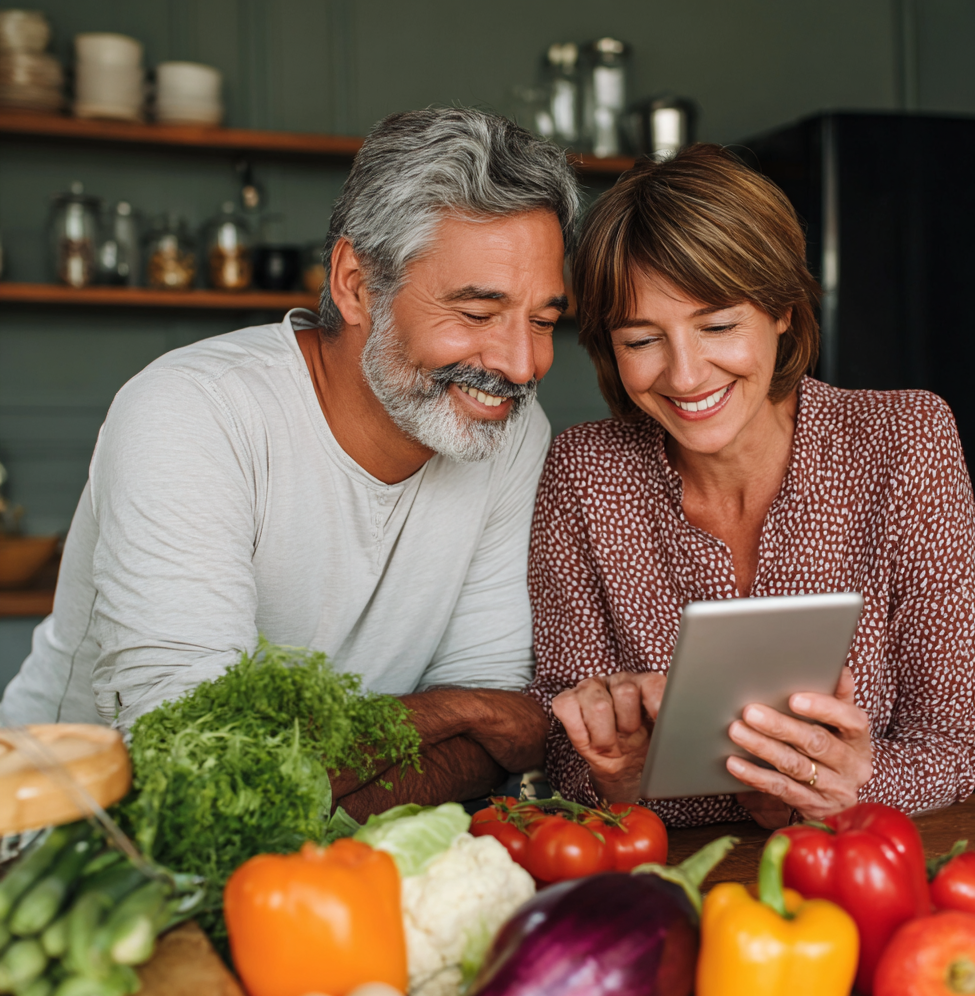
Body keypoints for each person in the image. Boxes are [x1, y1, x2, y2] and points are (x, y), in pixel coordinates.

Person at [1, 108, 580, 821]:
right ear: (356, 284)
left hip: (338, 865)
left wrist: (454, 727)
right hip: (77, 846)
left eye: (545, 321)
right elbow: (200, 767)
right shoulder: (192, 412)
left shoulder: (510, 432)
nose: (522, 364)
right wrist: (449, 710)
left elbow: (497, 744)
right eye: (478, 313)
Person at [526, 144, 975, 830]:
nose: (685, 376)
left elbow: (954, 743)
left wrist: (854, 784)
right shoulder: (583, 472)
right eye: (642, 339)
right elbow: (564, 755)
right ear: (606, 345)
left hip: (856, 873)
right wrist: (617, 773)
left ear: (781, 309)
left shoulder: (905, 440)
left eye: (718, 325)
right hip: (674, 884)